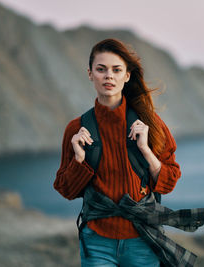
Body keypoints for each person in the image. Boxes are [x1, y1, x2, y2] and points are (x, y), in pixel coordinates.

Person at [53, 38, 183, 267]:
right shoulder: (77, 129)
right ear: (90, 74)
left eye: (116, 70)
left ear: (127, 75)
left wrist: (145, 149)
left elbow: (169, 181)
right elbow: (66, 190)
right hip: (96, 241)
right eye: (101, 69)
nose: (109, 76)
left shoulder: (151, 124)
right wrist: (79, 160)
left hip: (143, 240)